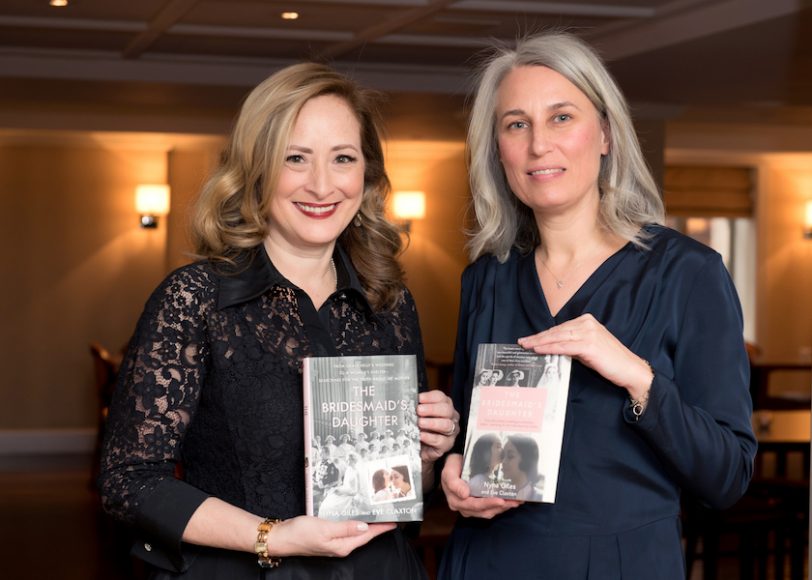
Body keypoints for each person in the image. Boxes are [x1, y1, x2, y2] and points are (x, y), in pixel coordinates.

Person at [99, 62, 460, 579]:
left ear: (367, 174)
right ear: (256, 170)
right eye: (295, 158)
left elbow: (396, 491)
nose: (321, 184)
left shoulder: (390, 302)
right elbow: (129, 482)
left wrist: (425, 456)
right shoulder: (194, 298)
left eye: (342, 158)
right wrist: (272, 536)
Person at [438, 31, 756, 579]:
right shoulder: (485, 280)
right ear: (498, 150)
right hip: (488, 560)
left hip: (621, 564)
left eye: (562, 117)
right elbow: (471, 436)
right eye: (517, 124)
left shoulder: (688, 275)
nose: (540, 144)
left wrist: (638, 377)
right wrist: (451, 470)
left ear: (606, 133)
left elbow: (727, 478)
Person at [500, 436, 543, 501]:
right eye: (503, 456)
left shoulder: (540, 498)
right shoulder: (497, 493)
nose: (503, 462)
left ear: (526, 460)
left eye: (510, 456)